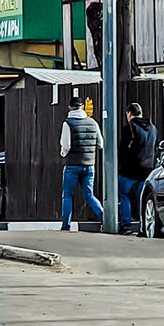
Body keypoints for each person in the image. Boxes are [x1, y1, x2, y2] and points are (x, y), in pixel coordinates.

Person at [59, 95, 104, 231]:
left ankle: (66, 225)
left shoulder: (67, 123)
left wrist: (63, 155)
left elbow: (66, 145)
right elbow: (100, 144)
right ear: (82, 107)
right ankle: (104, 217)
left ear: (69, 107)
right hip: (89, 165)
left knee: (67, 195)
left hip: (72, 165)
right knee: (89, 195)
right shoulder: (93, 122)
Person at [117, 102, 157, 234]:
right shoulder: (152, 128)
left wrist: (121, 164)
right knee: (143, 198)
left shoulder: (128, 128)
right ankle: (143, 227)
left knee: (124, 196)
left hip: (128, 170)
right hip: (147, 170)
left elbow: (122, 149)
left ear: (129, 114)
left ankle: (126, 226)